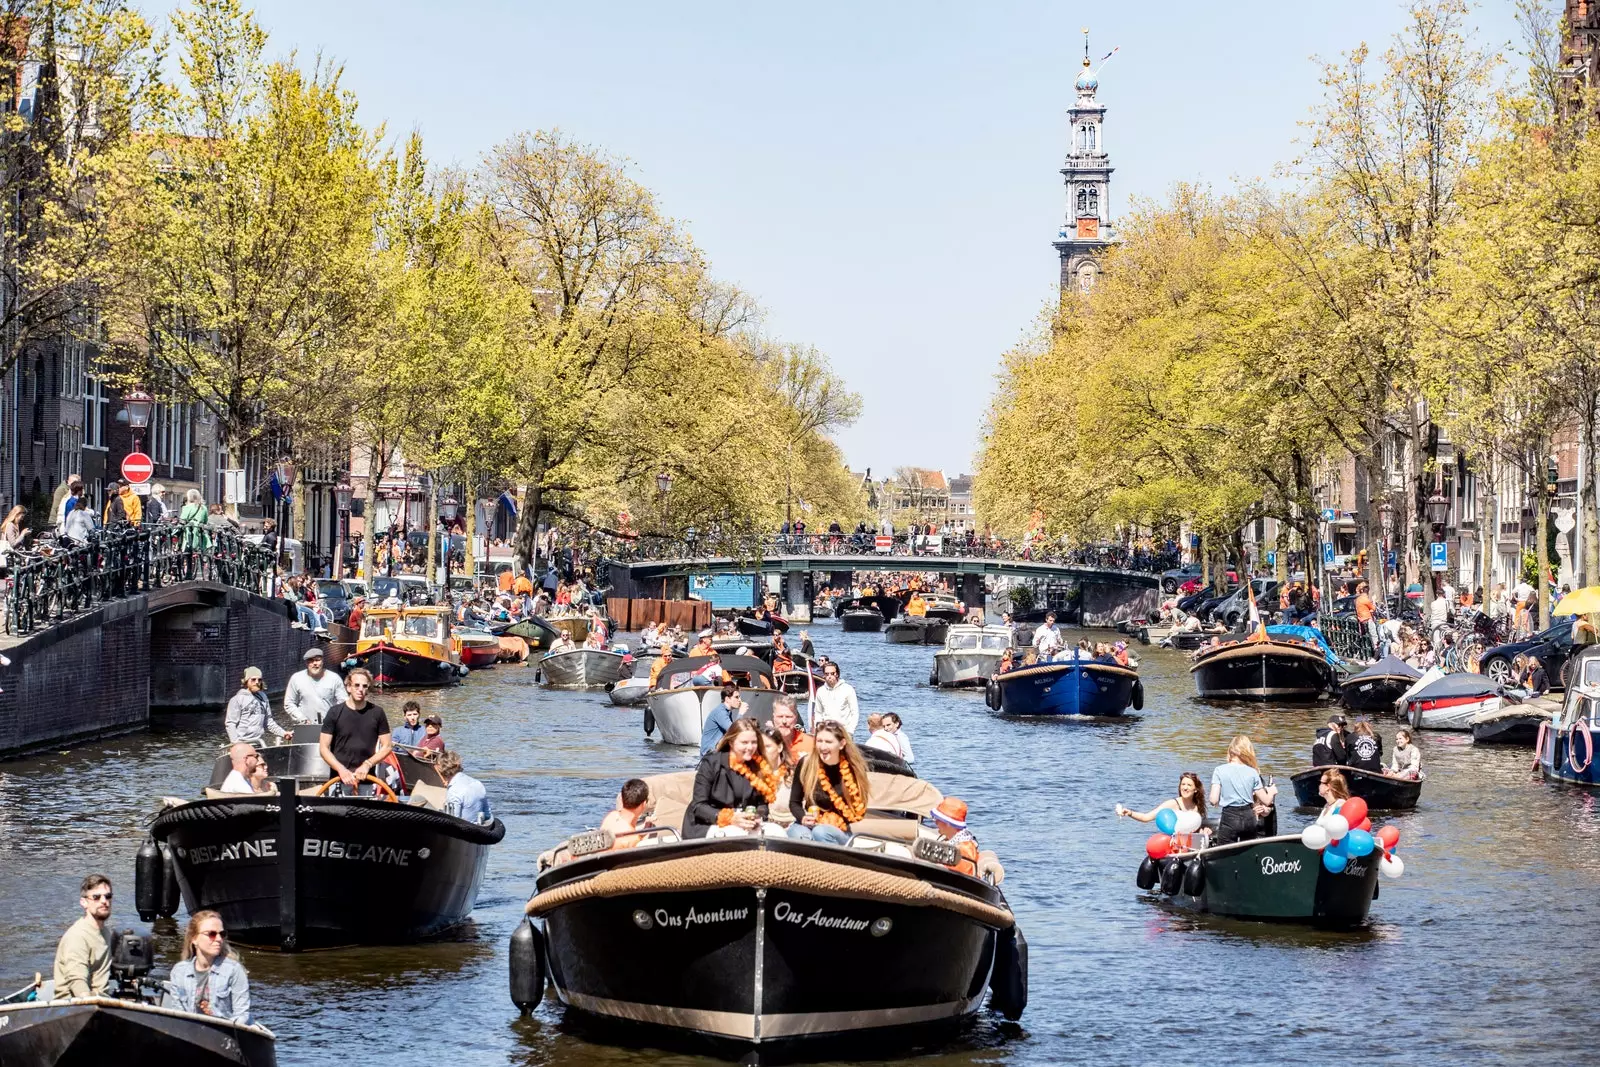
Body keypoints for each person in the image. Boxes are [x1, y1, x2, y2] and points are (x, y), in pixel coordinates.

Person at [685, 717, 779, 839]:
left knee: (777, 832)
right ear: (731, 742)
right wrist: (731, 818)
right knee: (738, 834)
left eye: (754, 742)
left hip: (744, 824)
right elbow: (699, 806)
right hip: (707, 825)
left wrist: (756, 816)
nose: (750, 747)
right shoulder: (711, 763)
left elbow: (762, 805)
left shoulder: (758, 767)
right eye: (744, 743)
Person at [787, 721, 871, 845]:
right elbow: (794, 802)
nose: (822, 746)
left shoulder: (852, 769)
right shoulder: (806, 764)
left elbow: (859, 811)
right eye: (819, 741)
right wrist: (803, 818)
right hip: (810, 825)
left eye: (828, 742)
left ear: (841, 744)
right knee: (797, 833)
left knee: (820, 832)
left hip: (838, 829)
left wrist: (832, 820)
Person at [161, 910, 251, 1023]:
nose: (218, 939)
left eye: (222, 934)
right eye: (211, 934)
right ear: (194, 939)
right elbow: (178, 1013)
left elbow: (242, 1015)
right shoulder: (179, 972)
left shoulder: (234, 970)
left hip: (224, 1032)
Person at [318, 668, 392, 793]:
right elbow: (323, 748)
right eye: (356, 685)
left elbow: (387, 746)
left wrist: (367, 764)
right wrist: (341, 769)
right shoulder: (334, 712)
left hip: (367, 780)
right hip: (338, 780)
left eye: (364, 686)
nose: (360, 689)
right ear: (348, 687)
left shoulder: (377, 713)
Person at [1208, 735, 1277, 846]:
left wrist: (1216, 802)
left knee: (1224, 852)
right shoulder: (1253, 772)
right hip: (1249, 817)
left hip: (1229, 817)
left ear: (1230, 751)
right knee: (1248, 852)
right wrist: (1272, 791)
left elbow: (1213, 799)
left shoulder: (1219, 770)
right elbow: (1266, 801)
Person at [53, 874, 113, 1000]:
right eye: (96, 897)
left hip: (102, 1000)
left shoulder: (106, 933)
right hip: (74, 1006)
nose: (104, 901)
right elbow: (77, 981)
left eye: (108, 896)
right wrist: (87, 999)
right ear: (84, 902)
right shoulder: (77, 937)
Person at [1114, 772, 1208, 825]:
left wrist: (1205, 830)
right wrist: (1130, 813)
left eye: (1189, 785)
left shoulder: (1198, 805)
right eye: (1183, 784)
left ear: (1195, 789)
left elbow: (1199, 826)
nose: (1185, 788)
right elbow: (1146, 817)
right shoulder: (1172, 804)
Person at [283, 647, 344, 725]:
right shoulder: (296, 678)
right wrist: (302, 718)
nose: (314, 663)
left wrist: (333, 717)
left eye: (317, 660)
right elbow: (289, 703)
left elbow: (343, 701)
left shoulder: (334, 678)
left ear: (322, 661)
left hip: (329, 725)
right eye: (311, 661)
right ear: (306, 663)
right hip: (305, 725)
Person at [225, 667, 285, 746]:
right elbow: (230, 723)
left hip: (259, 743)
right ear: (246, 681)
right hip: (242, 743)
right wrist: (236, 743)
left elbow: (269, 722)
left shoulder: (263, 697)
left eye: (259, 680)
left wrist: (283, 733)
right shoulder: (237, 699)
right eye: (253, 679)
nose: (257, 682)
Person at [929, 796, 982, 877]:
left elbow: (954, 878)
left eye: (937, 819)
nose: (935, 822)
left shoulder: (964, 850)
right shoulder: (956, 841)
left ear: (948, 823)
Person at [436, 750, 493, 825]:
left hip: (463, 832)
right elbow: (487, 815)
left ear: (441, 771)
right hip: (479, 829)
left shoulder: (454, 791)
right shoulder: (478, 783)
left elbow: (452, 822)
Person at [601, 778, 654, 848]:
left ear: (622, 799)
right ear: (644, 804)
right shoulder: (633, 839)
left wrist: (642, 833)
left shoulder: (610, 816)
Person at [812, 661, 859, 735]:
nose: (829, 676)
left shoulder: (848, 689)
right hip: (826, 732)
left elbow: (855, 713)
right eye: (827, 674)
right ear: (824, 675)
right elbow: (818, 712)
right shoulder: (821, 691)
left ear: (837, 674)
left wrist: (850, 731)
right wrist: (818, 729)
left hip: (844, 732)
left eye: (832, 673)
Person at [700, 684, 744, 755]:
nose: (740, 700)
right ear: (727, 699)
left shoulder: (727, 711)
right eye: (736, 697)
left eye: (739, 697)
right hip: (709, 755)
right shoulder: (720, 712)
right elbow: (733, 731)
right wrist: (741, 713)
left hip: (716, 752)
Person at [771, 695, 813, 759]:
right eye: (780, 716)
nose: (784, 721)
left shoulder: (810, 744)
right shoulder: (766, 744)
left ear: (796, 718)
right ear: (773, 717)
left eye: (788, 717)